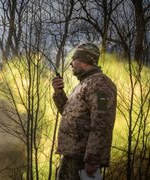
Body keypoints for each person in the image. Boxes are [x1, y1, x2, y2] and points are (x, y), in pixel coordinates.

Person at [52, 43, 117, 180]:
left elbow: (102, 122)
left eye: (74, 59)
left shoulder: (100, 84)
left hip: (83, 160)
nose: (71, 64)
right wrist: (59, 93)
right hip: (72, 157)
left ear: (85, 61)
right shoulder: (83, 84)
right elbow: (69, 114)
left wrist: (93, 158)